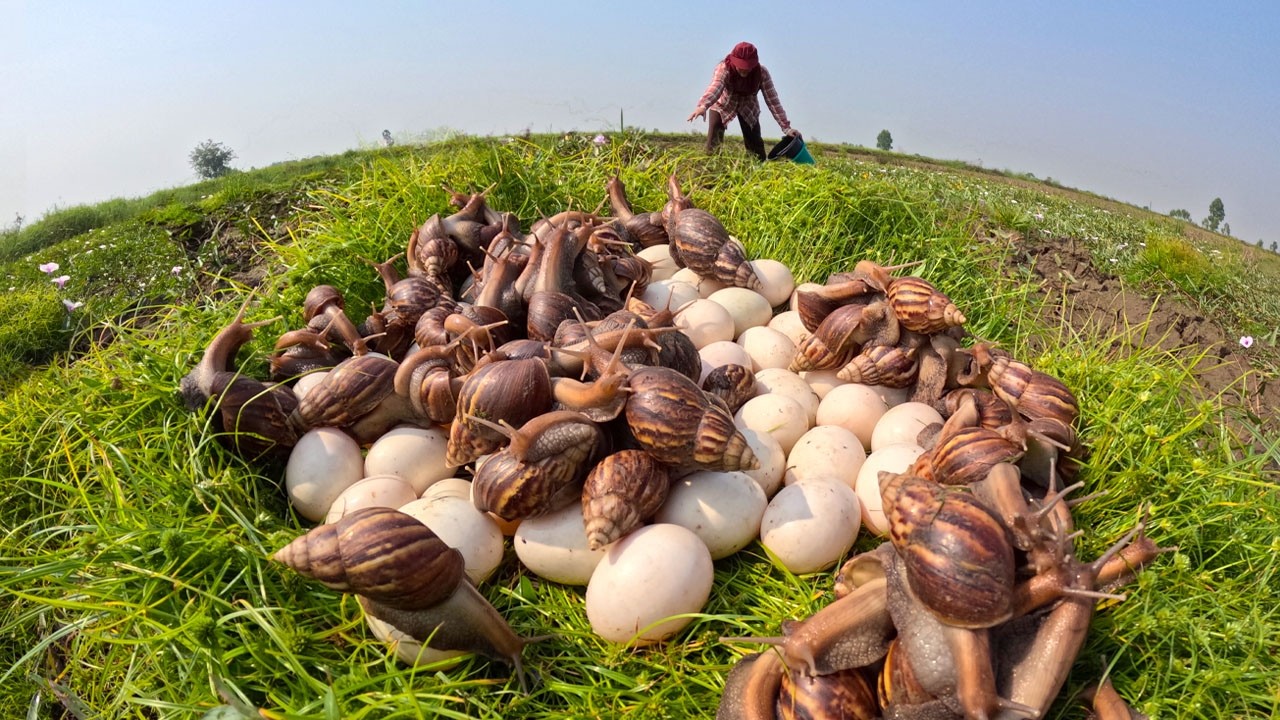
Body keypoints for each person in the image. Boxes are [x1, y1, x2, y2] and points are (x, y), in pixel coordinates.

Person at [686, 41, 800, 160]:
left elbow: (773, 101)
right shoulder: (724, 68)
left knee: (755, 145)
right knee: (714, 141)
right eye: (741, 66)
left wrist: (786, 128)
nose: (744, 70)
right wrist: (703, 106)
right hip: (723, 104)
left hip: (749, 107)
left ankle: (757, 170)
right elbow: (716, 86)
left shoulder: (762, 73)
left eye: (748, 67)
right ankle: (711, 169)